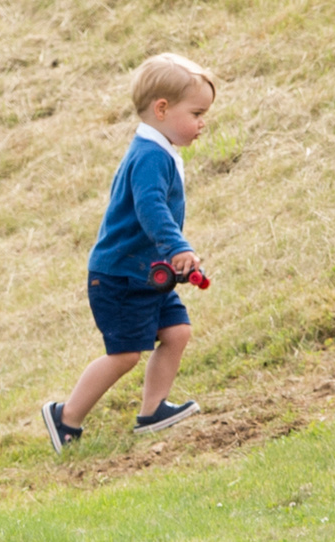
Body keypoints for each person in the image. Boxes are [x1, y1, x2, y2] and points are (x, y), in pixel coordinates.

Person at [42, 53, 216, 454]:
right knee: (124, 355)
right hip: (120, 277)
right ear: (162, 109)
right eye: (197, 113)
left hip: (146, 274)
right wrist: (178, 248)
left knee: (177, 332)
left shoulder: (159, 149)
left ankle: (152, 411)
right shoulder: (150, 156)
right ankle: (65, 417)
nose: (203, 122)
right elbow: (151, 207)